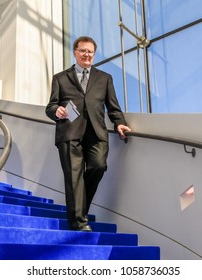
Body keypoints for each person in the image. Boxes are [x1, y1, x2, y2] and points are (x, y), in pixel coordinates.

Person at [45, 36, 131, 232]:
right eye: (83, 51)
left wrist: (120, 123)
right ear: (75, 53)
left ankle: (79, 210)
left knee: (98, 166)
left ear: (94, 54)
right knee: (74, 176)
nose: (87, 55)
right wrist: (56, 111)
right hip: (69, 133)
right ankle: (78, 223)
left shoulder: (104, 78)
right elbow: (50, 106)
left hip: (97, 133)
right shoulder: (60, 77)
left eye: (90, 51)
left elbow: (113, 107)